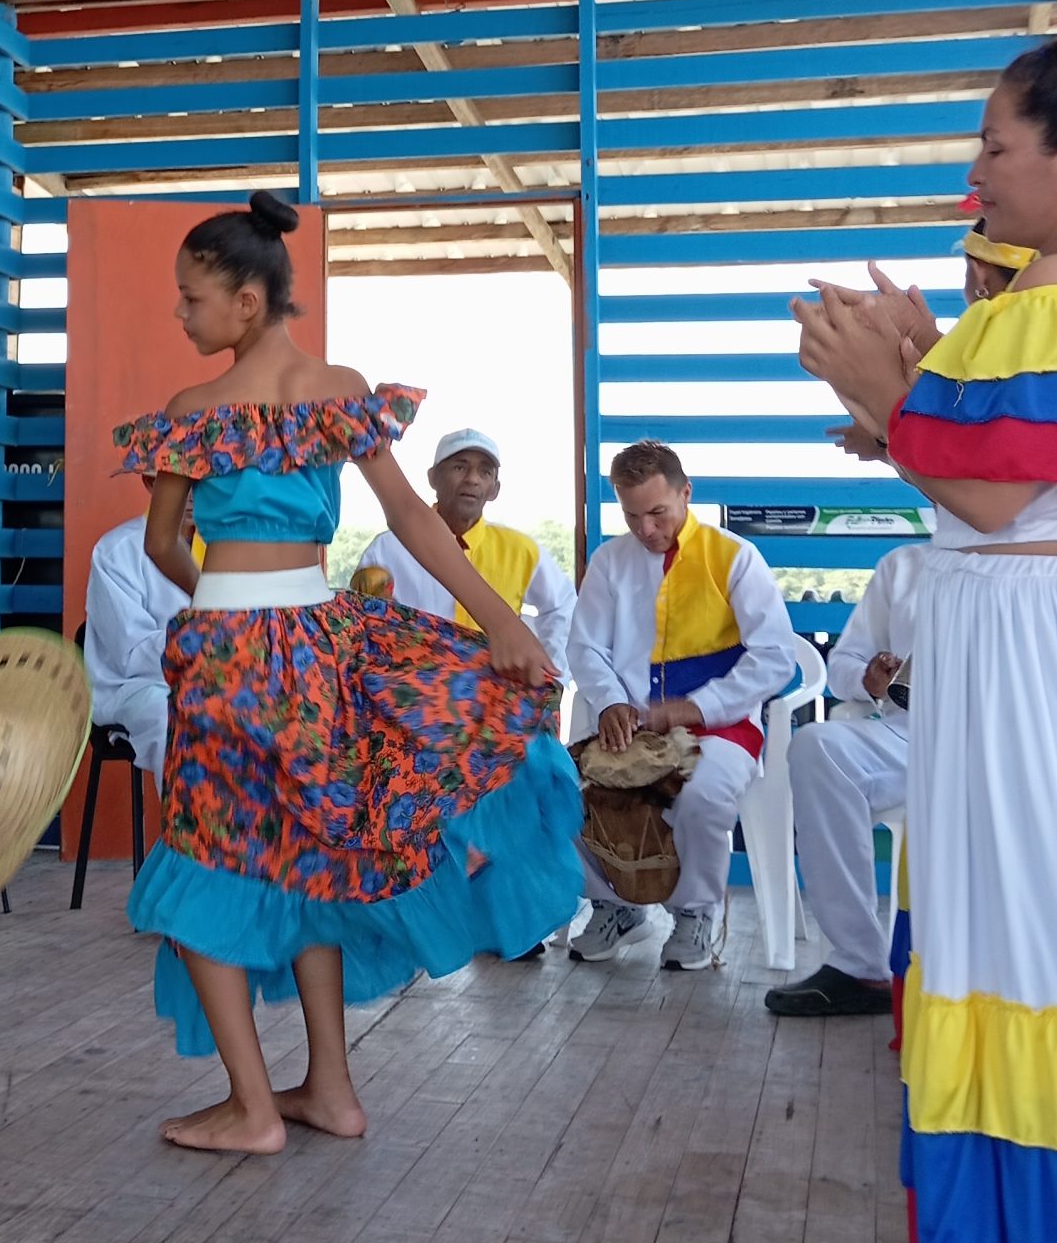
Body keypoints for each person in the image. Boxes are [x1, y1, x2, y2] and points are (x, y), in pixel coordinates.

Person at [795, 33, 1057, 1243]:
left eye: (996, 148)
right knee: (1020, 963)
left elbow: (998, 497)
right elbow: (998, 472)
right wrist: (910, 373)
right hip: (1023, 660)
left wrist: (882, 388)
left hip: (1045, 669)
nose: (976, 174)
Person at [116, 192, 583, 1156]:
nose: (181, 313)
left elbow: (163, 545)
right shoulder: (339, 391)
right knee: (315, 851)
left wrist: (223, 605)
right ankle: (330, 1090)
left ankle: (253, 1109)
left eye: (192, 297)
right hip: (316, 645)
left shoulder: (194, 413)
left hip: (229, 658)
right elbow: (412, 517)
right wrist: (499, 621)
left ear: (247, 301)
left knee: (203, 861)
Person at [565, 438, 798, 971]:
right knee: (565, 788)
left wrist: (696, 708)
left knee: (701, 796)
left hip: (721, 729)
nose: (646, 529)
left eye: (658, 513)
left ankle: (695, 913)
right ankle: (615, 906)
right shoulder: (609, 562)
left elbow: (776, 659)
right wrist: (611, 702)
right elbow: (585, 648)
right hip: (630, 727)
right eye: (631, 516)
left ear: (685, 493)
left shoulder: (734, 557)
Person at [763, 545, 921, 1018]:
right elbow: (844, 663)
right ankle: (860, 965)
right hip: (912, 735)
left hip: (1007, 739)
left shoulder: (1046, 558)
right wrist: (869, 680)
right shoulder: (905, 567)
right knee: (818, 747)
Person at [356, 427, 576, 676]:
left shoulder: (521, 550)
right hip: (413, 690)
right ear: (432, 478)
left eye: (485, 472)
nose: (473, 479)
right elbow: (364, 626)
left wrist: (552, 675)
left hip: (497, 693)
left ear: (495, 489)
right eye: (459, 467)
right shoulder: (387, 549)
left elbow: (563, 607)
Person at [83, 483, 193, 784]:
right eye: (181, 483)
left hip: (207, 676)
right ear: (151, 482)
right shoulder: (116, 550)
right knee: (173, 717)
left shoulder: (224, 549)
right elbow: (132, 654)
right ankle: (186, 815)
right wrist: (202, 644)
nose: (191, 495)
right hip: (134, 686)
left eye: (201, 482)